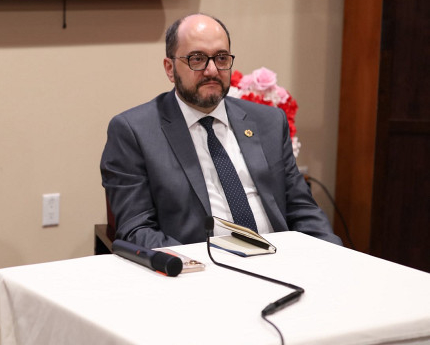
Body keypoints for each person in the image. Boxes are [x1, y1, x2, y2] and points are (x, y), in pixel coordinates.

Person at [100, 14, 342, 248]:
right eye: (197, 59)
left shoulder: (268, 121)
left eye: (221, 58)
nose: (212, 70)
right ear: (170, 68)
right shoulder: (134, 132)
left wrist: (334, 256)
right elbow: (137, 230)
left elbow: (303, 208)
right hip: (199, 267)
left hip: (278, 257)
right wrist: (194, 267)